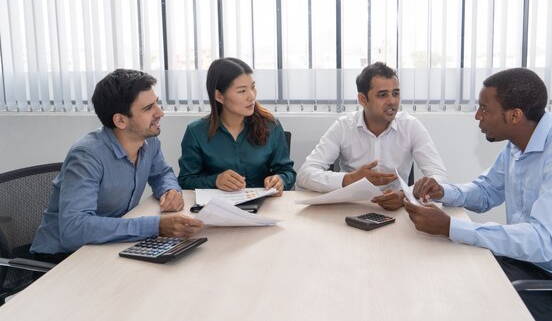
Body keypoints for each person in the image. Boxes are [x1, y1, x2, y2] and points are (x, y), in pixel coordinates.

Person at [406, 68, 552, 321]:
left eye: (484, 109)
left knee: (460, 315)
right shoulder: (516, 147)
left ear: (515, 115)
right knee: (447, 281)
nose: (478, 116)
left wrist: (450, 227)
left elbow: (541, 241)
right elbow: (487, 191)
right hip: (526, 270)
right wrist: (443, 191)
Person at [30, 69, 203, 262]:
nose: (160, 113)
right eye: (148, 108)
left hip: (108, 246)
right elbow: (75, 229)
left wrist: (169, 189)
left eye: (157, 103)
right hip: (62, 259)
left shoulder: (148, 141)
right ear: (120, 120)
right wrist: (156, 226)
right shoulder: (87, 156)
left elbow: (162, 173)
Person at [296, 62, 447, 210]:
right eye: (382, 95)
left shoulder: (411, 126)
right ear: (362, 99)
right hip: (351, 208)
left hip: (397, 211)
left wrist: (404, 195)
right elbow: (305, 175)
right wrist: (349, 179)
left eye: (396, 93)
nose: (392, 101)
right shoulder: (344, 126)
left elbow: (439, 177)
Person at [178, 58, 295, 195]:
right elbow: (185, 181)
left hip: (263, 208)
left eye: (252, 87)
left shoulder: (271, 125)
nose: (251, 97)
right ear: (219, 96)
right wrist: (215, 180)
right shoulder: (196, 132)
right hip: (217, 210)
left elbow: (288, 172)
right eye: (242, 91)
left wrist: (280, 180)